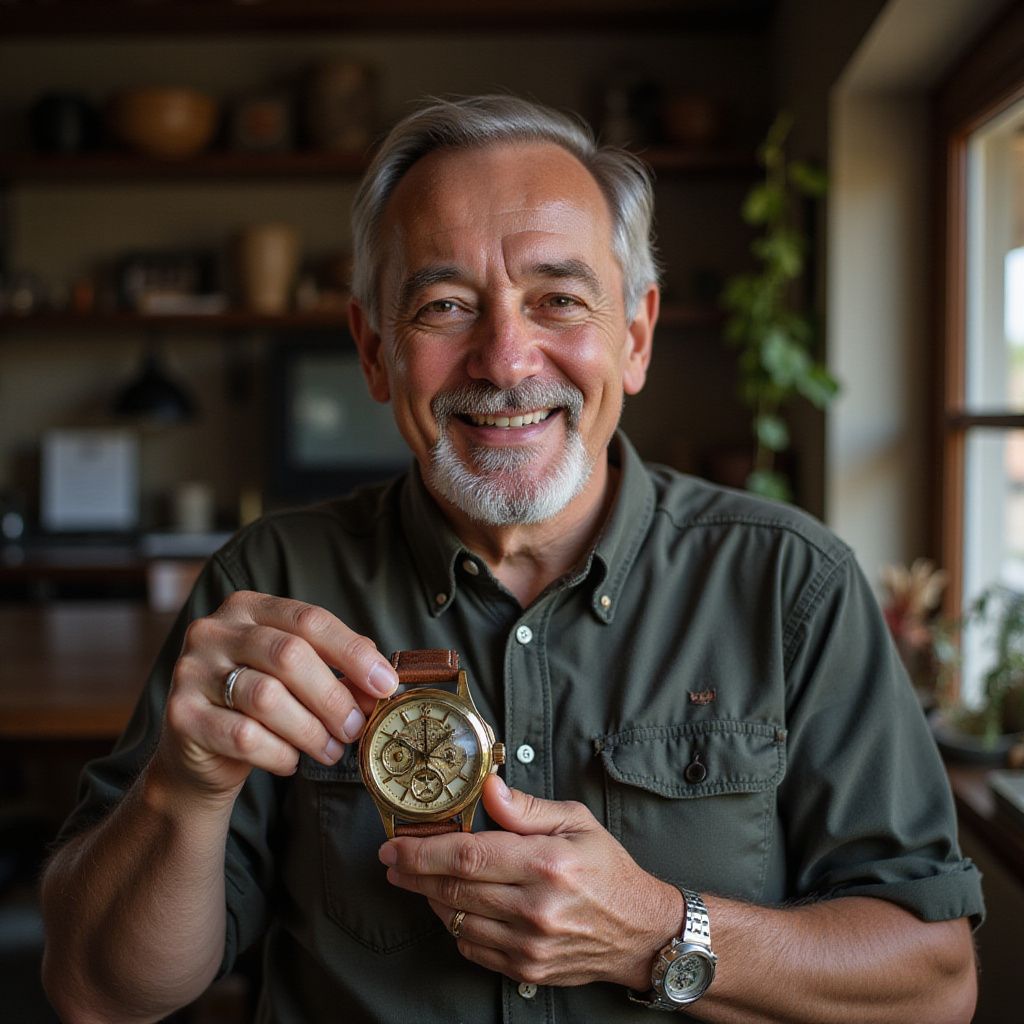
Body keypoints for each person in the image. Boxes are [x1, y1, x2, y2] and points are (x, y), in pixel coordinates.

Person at [41, 94, 982, 1024]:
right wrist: (184, 786)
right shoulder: (269, 585)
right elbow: (96, 994)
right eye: (445, 306)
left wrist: (658, 931)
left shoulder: (791, 586)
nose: (504, 358)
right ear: (374, 352)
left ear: (637, 335)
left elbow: (934, 984)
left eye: (559, 300)